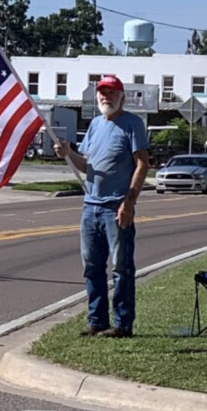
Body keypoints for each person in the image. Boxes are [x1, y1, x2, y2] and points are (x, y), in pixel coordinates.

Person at [55, 74, 150, 338]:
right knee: (92, 266)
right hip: (91, 206)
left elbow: (142, 163)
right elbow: (86, 164)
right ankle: (97, 320)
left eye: (111, 92)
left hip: (116, 207)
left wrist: (129, 202)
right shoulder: (95, 125)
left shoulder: (132, 124)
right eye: (102, 92)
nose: (105, 97)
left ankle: (122, 324)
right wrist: (68, 154)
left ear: (122, 96)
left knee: (121, 267)